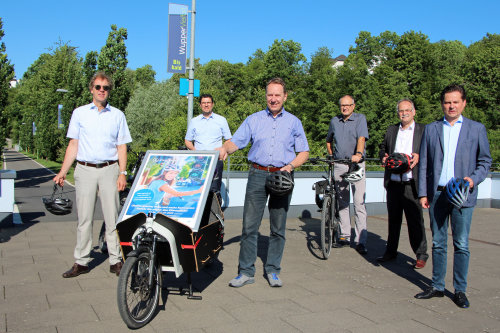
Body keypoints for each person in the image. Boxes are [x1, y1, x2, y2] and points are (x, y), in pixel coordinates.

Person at [217, 77, 309, 288]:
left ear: (285, 96)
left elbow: (304, 151)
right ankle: (246, 272)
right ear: (265, 96)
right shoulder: (253, 119)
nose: (273, 99)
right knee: (249, 226)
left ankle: (273, 270)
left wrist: (291, 166)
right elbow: (235, 142)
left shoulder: (294, 122)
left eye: (277, 95)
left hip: (282, 177)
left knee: (278, 227)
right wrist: (224, 149)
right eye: (270, 95)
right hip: (257, 175)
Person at [415, 84, 491, 308]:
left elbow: (485, 161)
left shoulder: (476, 129)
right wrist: (423, 193)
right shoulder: (432, 129)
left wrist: (473, 179)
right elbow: (424, 164)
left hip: (462, 195)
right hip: (437, 195)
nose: (451, 106)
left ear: (464, 103)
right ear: (442, 104)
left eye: (455, 102)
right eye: (447, 102)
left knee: (461, 244)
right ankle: (437, 286)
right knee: (438, 243)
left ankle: (460, 290)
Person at [54, 72, 132, 278]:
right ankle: (81, 261)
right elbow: (73, 144)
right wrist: (63, 171)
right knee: (84, 218)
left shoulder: (117, 115)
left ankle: (115, 260)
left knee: (112, 217)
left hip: (109, 169)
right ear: (91, 89)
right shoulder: (80, 113)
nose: (102, 91)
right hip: (85, 169)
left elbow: (121, 146)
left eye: (105, 88)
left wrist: (122, 173)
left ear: (109, 91)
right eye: (98, 87)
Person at [377, 99, 428, 268]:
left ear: (414, 112)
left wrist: (419, 155)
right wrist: (383, 156)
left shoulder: (423, 130)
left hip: (411, 183)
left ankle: (421, 254)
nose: (404, 113)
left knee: (415, 220)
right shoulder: (392, 130)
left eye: (407, 110)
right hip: (393, 182)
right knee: (394, 220)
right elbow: (382, 148)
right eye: (400, 110)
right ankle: (391, 251)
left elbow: (430, 151)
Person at [326, 95, 369, 255]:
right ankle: (344, 236)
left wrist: (358, 153)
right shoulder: (334, 121)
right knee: (342, 202)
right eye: (342, 105)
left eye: (348, 105)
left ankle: (360, 240)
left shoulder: (360, 119)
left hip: (356, 165)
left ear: (353, 106)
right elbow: (329, 140)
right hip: (339, 164)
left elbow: (361, 138)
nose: (345, 108)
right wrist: (331, 156)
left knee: (359, 203)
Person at [185, 94, 232, 204]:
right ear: (200, 105)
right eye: (204, 103)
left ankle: (215, 216)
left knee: (214, 190)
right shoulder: (194, 121)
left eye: (208, 102)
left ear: (212, 104)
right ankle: (199, 218)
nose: (206, 105)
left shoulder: (221, 120)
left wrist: (224, 151)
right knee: (196, 188)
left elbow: (229, 139)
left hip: (216, 160)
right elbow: (187, 141)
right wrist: (195, 151)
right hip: (199, 160)